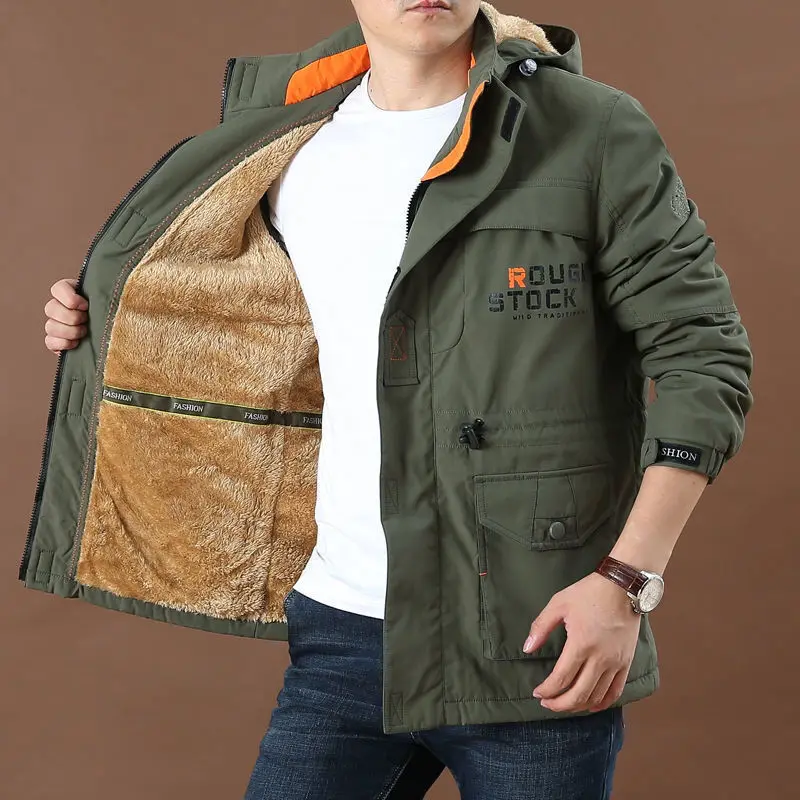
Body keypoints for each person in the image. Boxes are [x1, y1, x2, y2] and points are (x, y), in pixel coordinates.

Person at [36, 1, 753, 798]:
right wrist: (109, 316)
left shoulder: (590, 130)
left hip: (535, 632)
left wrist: (626, 580)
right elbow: (250, 324)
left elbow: (704, 357)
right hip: (341, 629)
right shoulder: (288, 142)